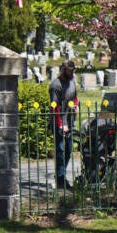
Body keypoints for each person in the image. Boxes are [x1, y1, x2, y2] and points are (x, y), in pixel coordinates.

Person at [49, 60, 79, 190]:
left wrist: (76, 104)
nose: (72, 72)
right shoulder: (55, 85)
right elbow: (54, 107)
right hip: (59, 122)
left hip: (70, 120)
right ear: (63, 70)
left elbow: (75, 96)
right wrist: (61, 125)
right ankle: (61, 179)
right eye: (69, 70)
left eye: (73, 70)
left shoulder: (72, 81)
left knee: (69, 149)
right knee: (60, 150)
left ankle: (60, 174)